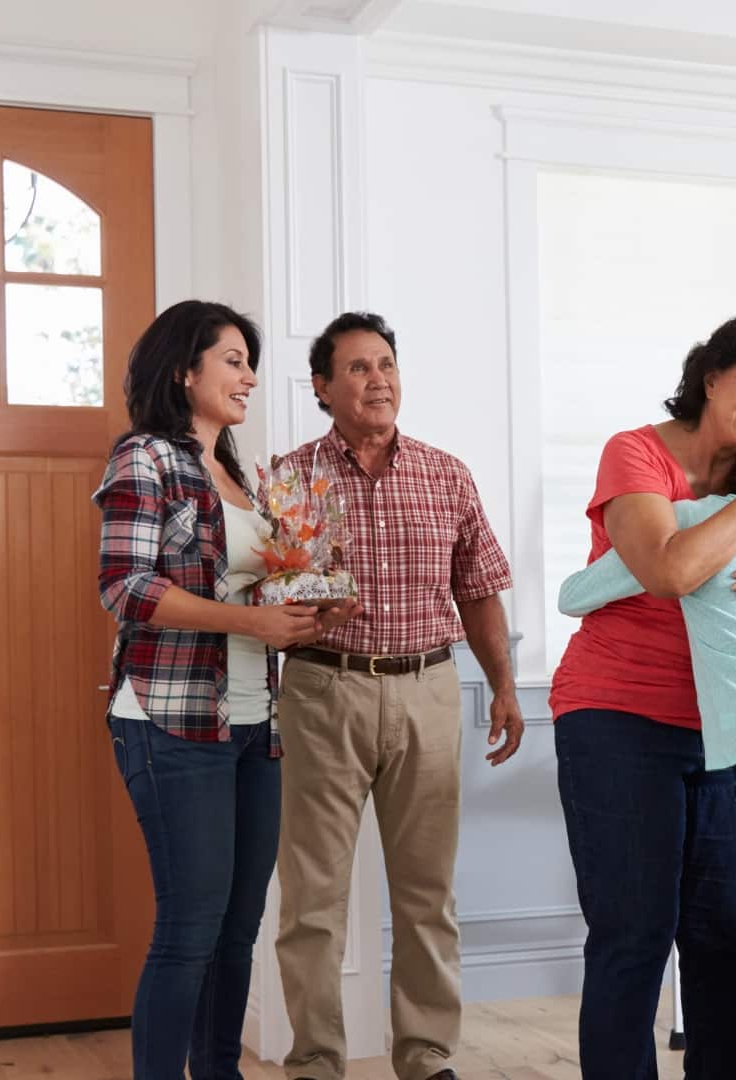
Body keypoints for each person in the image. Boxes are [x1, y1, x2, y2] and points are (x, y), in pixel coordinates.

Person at [547, 313, 736, 1080]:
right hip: (617, 715)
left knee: (724, 932)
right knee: (634, 932)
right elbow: (667, 571)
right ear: (710, 376)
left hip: (733, 733)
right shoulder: (640, 454)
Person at [94, 300, 354, 1080]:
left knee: (238, 928)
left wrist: (308, 608)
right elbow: (125, 588)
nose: (249, 376)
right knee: (189, 927)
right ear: (185, 370)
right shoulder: (143, 458)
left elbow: (253, 593)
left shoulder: (241, 473)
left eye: (249, 360)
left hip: (253, 725)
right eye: (234, 360)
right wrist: (252, 628)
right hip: (170, 720)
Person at [273, 311, 522, 1080]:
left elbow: (478, 592)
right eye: (356, 368)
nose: (377, 379)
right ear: (322, 386)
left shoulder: (447, 473)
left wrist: (506, 688)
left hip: (428, 688)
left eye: (386, 364)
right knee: (313, 899)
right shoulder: (290, 475)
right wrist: (315, 606)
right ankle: (315, 1061)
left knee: (427, 894)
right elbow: (276, 592)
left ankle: (426, 1056)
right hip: (324, 688)